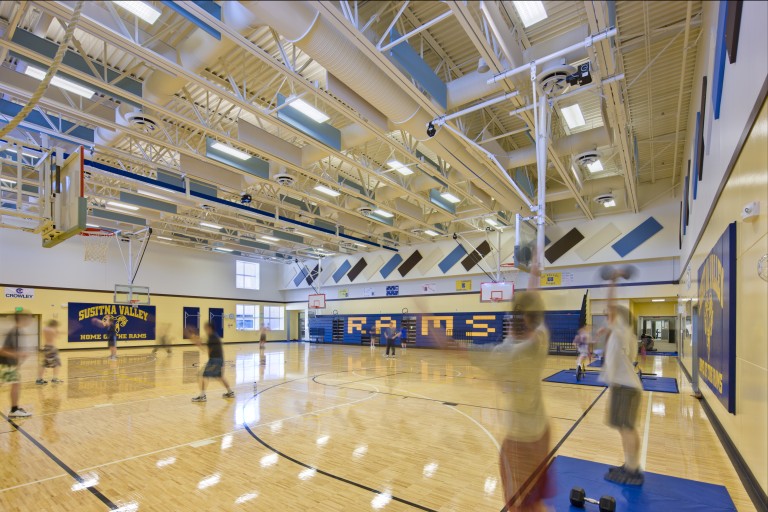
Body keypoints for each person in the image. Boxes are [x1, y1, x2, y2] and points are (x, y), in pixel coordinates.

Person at [600, 275, 644, 486]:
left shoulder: (621, 331)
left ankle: (633, 470)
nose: (607, 317)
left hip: (626, 388)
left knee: (627, 428)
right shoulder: (623, 335)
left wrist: (612, 281)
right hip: (623, 387)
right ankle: (629, 465)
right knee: (624, 427)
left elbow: (611, 305)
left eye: (610, 316)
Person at [190, 323, 234, 402]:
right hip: (219, 359)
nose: (205, 330)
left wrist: (197, 343)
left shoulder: (212, 338)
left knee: (202, 375)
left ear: (210, 328)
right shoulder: (214, 336)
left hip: (214, 360)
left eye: (206, 328)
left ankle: (202, 396)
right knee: (220, 376)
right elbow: (205, 344)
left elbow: (207, 350)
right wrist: (198, 341)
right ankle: (230, 392)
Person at [0, 313, 33, 417]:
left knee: (15, 383)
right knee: (16, 384)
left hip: (9, 364)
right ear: (22, 319)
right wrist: (19, 354)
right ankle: (14, 410)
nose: (29, 321)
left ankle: (14, 409)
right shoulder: (15, 332)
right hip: (7, 364)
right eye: (28, 319)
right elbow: (2, 351)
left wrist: (18, 360)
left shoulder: (18, 331)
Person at [36, 320, 63, 384]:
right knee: (57, 363)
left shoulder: (45, 329)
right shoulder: (53, 330)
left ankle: (39, 379)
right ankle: (55, 379)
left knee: (44, 364)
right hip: (52, 348)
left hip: (46, 347)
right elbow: (58, 336)